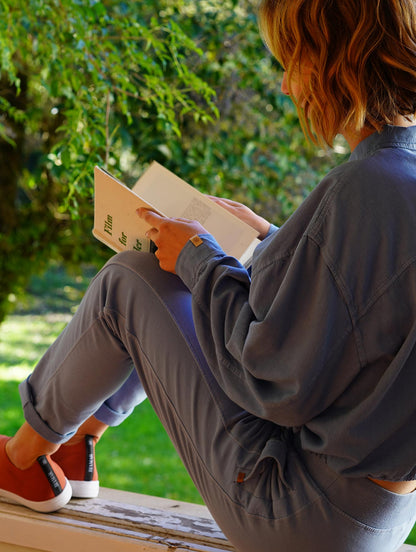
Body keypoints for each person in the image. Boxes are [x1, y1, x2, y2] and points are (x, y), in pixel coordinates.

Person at [1, 0, 415, 550]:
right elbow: (357, 317)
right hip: (380, 514)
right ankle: (76, 445)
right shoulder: (400, 177)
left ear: (338, 60)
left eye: (294, 61)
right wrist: (268, 239)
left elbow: (273, 381)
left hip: (301, 515)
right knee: (166, 271)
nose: (289, 88)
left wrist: (200, 257)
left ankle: (20, 459)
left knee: (131, 279)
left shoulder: (363, 189)